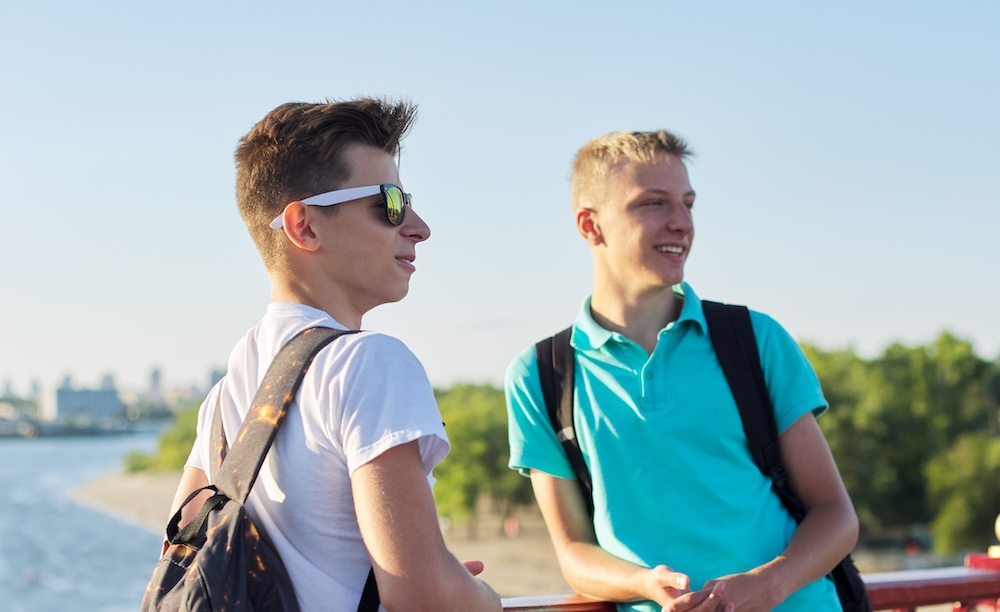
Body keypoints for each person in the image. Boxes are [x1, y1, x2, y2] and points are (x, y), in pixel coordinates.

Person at [167, 98, 502, 612]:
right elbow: (420, 593)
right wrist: (477, 595)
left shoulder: (225, 399)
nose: (418, 225)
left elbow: (179, 559)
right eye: (390, 203)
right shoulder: (368, 363)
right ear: (303, 226)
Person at [505, 130, 859, 612]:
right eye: (654, 204)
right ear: (590, 226)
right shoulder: (539, 377)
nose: (682, 223)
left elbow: (835, 514)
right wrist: (645, 582)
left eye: (688, 203)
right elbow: (574, 553)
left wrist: (768, 585)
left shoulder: (755, 340)